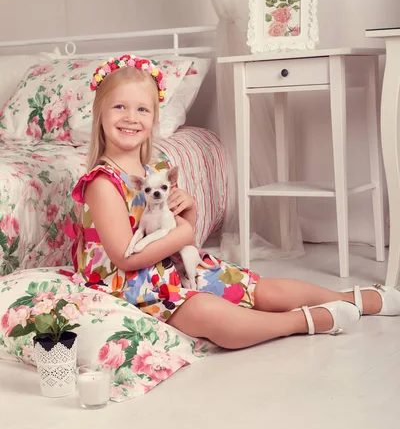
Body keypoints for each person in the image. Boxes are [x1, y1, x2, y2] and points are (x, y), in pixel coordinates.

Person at [70, 55, 400, 350]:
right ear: (100, 113)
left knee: (260, 289)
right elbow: (126, 259)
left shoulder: (152, 174)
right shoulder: (102, 182)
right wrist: (183, 234)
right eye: (119, 107)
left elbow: (181, 233)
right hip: (129, 285)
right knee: (208, 313)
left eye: (142, 109)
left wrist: (190, 212)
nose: (131, 118)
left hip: (171, 266)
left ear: (154, 118)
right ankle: (304, 321)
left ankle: (349, 298)